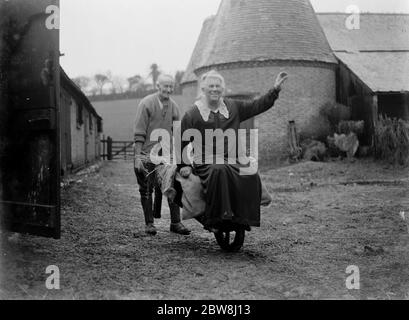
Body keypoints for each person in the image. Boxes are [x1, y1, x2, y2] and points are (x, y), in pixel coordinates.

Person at [176, 70, 288, 232]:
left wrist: (275, 90)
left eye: (218, 86)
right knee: (219, 169)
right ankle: (215, 220)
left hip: (233, 158)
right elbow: (180, 140)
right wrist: (182, 165)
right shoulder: (193, 113)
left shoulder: (233, 107)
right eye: (211, 86)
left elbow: (257, 105)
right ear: (203, 90)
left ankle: (243, 218)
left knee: (249, 171)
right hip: (206, 162)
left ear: (223, 89)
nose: (214, 89)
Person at [134, 74, 191, 236]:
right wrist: (138, 158)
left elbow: (178, 134)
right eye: (165, 86)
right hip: (146, 154)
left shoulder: (174, 107)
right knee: (145, 189)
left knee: (172, 184)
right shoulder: (146, 104)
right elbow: (139, 132)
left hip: (166, 155)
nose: (168, 89)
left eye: (171, 86)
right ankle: (149, 224)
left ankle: (175, 223)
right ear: (157, 86)